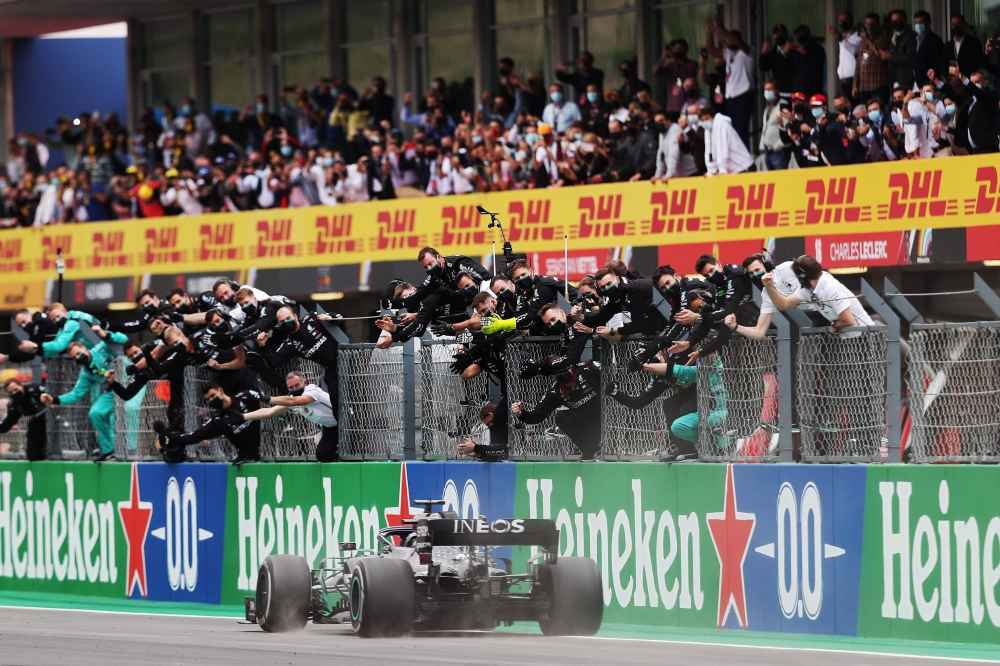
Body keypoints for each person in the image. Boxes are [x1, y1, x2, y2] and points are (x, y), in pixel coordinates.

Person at [40, 326, 127, 462]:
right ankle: (109, 450)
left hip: (129, 382)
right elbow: (75, 394)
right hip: (112, 391)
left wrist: (106, 334)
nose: (77, 357)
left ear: (85, 349)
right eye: (74, 356)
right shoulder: (86, 373)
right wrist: (54, 400)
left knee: (122, 417)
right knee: (95, 413)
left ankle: (128, 449)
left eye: (78, 353)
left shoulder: (101, 348)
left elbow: (123, 338)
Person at [760, 254, 875, 334]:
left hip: (864, 335)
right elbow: (783, 304)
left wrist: (834, 326)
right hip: (850, 336)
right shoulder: (807, 289)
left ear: (803, 277)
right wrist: (769, 286)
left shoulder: (830, 287)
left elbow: (848, 320)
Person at [153, 382, 265, 464]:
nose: (211, 400)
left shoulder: (246, 397)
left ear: (221, 391)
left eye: (213, 396)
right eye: (208, 399)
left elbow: (270, 403)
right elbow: (194, 436)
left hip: (266, 449)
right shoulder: (218, 420)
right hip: (248, 457)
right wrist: (170, 438)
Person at [512, 360, 602, 460]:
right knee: (561, 417)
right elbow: (536, 417)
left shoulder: (587, 368)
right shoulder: (555, 392)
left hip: (610, 414)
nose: (561, 372)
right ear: (552, 376)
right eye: (556, 371)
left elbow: (612, 377)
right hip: (590, 422)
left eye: (563, 368)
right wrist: (520, 413)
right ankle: (592, 451)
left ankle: (609, 448)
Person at [241, 371, 339, 463]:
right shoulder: (292, 400)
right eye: (291, 387)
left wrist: (267, 398)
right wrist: (242, 417)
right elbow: (270, 411)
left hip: (342, 422)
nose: (294, 389)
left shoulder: (312, 390)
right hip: (330, 427)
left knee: (351, 448)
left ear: (305, 383)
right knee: (322, 455)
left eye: (297, 385)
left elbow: (296, 401)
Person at [706, 16, 754, 144]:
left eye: (732, 39)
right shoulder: (729, 54)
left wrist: (721, 28)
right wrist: (710, 33)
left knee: (740, 132)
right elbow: (711, 50)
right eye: (728, 39)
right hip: (731, 99)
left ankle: (744, 162)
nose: (730, 41)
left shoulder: (747, 52)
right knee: (731, 132)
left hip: (743, 98)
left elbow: (738, 43)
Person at [0, 377, 48, 461]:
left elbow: (54, 395)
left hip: (50, 417)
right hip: (37, 422)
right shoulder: (14, 404)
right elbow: (7, 423)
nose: (14, 393)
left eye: (15, 389)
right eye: (11, 392)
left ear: (21, 386)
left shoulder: (35, 389)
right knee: (33, 454)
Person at [699, 106, 754, 175]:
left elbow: (722, 148)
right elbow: (709, 150)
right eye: (702, 120)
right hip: (734, 171)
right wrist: (711, 171)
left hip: (744, 167)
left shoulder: (721, 124)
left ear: (713, 117)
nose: (705, 122)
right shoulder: (709, 129)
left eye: (707, 119)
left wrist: (722, 169)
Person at [653, 38, 701, 114]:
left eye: (680, 48)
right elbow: (655, 71)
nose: (678, 51)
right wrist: (662, 58)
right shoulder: (670, 66)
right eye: (676, 49)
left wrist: (674, 60)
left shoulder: (692, 64)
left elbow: (684, 74)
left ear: (686, 49)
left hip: (688, 106)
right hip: (672, 107)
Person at [854, 13, 891, 105]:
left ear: (878, 24)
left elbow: (879, 53)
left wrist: (867, 39)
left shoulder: (884, 39)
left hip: (878, 85)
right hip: (864, 86)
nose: (869, 26)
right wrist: (855, 85)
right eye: (867, 24)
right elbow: (860, 63)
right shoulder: (862, 43)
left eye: (872, 24)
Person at [830, 13, 863, 103]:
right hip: (844, 81)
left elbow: (854, 51)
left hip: (855, 80)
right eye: (841, 20)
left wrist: (838, 37)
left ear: (852, 21)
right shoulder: (843, 36)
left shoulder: (858, 35)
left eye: (846, 20)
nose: (843, 22)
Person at [759, 80, 791, 170]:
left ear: (777, 90)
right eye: (765, 90)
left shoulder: (783, 105)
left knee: (781, 180)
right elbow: (765, 128)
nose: (767, 92)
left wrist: (776, 146)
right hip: (767, 151)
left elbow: (788, 128)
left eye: (770, 89)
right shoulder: (767, 109)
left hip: (779, 152)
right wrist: (762, 145)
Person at [941, 14, 982, 80]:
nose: (956, 26)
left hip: (969, 82)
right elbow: (943, 65)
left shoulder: (974, 43)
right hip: (952, 83)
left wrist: (959, 77)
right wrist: (951, 78)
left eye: (958, 23)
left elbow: (975, 64)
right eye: (953, 24)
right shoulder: (947, 46)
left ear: (964, 24)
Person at [888, 10, 917, 92]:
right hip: (894, 78)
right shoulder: (893, 35)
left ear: (904, 20)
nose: (896, 22)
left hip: (905, 79)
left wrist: (891, 57)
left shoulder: (911, 36)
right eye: (893, 21)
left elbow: (910, 57)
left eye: (898, 20)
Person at [912, 11, 943, 88]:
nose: (918, 25)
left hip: (928, 82)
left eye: (921, 22)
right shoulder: (915, 39)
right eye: (916, 23)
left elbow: (937, 62)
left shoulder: (934, 40)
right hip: (915, 82)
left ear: (928, 23)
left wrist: (932, 80)